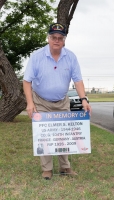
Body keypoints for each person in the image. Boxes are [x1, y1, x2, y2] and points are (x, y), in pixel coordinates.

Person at [23, 22, 91, 180]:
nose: (57, 40)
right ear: (48, 38)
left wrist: (84, 99)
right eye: (54, 37)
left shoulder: (71, 57)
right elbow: (27, 81)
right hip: (41, 101)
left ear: (64, 40)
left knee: (63, 136)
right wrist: (30, 103)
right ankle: (47, 169)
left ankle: (65, 167)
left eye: (60, 38)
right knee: (45, 136)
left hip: (62, 102)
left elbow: (78, 80)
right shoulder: (37, 56)